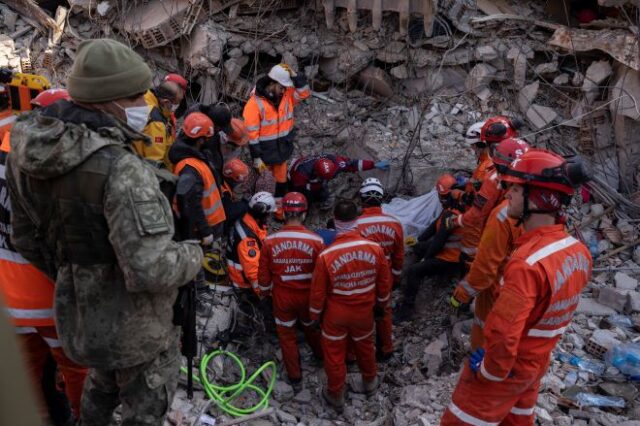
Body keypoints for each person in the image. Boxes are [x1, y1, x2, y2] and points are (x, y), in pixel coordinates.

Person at [6, 38, 203, 425]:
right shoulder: (121, 169)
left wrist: (77, 271)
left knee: (98, 392)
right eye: (133, 98)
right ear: (106, 101)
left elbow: (25, 238)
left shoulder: (26, 151)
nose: (142, 106)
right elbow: (149, 268)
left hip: (78, 318)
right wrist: (194, 254)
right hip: (137, 329)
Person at [440, 149, 591, 425]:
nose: (508, 194)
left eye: (517, 189)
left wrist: (488, 372)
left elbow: (503, 333)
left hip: (505, 372)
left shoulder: (526, 264)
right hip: (533, 368)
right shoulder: (578, 252)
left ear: (538, 197)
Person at [0, 89, 87, 425]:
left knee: (26, 376)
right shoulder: (57, 173)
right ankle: (81, 417)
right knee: (77, 370)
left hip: (9, 299)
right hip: (50, 298)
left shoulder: (6, 156)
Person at [309, 200, 392, 412]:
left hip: (336, 313)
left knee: (335, 354)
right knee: (365, 347)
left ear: (335, 221)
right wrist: (381, 305)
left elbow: (318, 293)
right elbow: (384, 283)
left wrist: (315, 316)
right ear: (356, 220)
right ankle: (370, 382)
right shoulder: (375, 249)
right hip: (364, 310)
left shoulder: (326, 255)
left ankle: (336, 394)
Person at [450, 138, 530, 350]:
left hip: (500, 283)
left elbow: (485, 268)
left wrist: (461, 294)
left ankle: (481, 365)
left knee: (486, 325)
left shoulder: (503, 215)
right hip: (523, 285)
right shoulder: (538, 206)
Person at [258, 192, 325, 385]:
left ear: (283, 213)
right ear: (304, 214)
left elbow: (263, 277)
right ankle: (320, 356)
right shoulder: (316, 241)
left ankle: (295, 377)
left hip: (282, 296)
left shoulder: (270, 241)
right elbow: (321, 275)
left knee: (286, 337)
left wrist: (264, 294)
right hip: (307, 296)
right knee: (312, 329)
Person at [445, 116, 519, 262]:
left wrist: (456, 220)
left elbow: (478, 211)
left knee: (475, 259)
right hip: (501, 229)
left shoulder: (493, 175)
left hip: (485, 226)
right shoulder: (518, 167)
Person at [394, 174, 466, 322]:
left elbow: (437, 243)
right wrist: (418, 240)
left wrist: (425, 259)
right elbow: (434, 226)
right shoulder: (452, 209)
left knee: (415, 271)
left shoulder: (451, 215)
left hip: (449, 259)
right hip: (449, 252)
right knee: (418, 247)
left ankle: (407, 310)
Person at [243, 64, 311, 219]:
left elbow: (305, 93)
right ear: (272, 83)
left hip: (282, 151)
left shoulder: (286, 95)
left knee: (281, 184)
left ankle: (279, 215)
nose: (284, 90)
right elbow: (251, 134)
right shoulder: (254, 104)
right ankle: (259, 212)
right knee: (263, 184)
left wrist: (297, 77)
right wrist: (256, 157)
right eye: (281, 87)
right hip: (265, 154)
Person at [355, 178, 403, 360]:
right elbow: (399, 257)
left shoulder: (356, 225)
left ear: (362, 199)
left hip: (362, 277)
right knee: (384, 312)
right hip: (386, 277)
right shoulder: (395, 223)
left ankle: (362, 354)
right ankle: (386, 349)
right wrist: (396, 278)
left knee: (362, 314)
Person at [169, 112, 226, 244]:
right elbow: (190, 202)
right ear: (200, 140)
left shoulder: (196, 155)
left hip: (206, 223)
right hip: (201, 228)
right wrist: (205, 231)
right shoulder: (189, 168)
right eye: (208, 138)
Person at [289, 154, 390, 208]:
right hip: (295, 180)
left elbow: (353, 164)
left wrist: (373, 165)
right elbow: (299, 187)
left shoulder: (336, 162)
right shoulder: (301, 172)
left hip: (314, 181)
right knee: (305, 198)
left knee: (323, 194)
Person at [226, 191, 275, 297]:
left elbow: (261, 239)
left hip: (247, 274)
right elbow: (253, 274)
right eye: (269, 214)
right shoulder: (247, 239)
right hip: (243, 284)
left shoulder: (250, 222)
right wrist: (264, 294)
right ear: (262, 215)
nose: (269, 217)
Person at [133, 79, 185, 169]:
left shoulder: (143, 98)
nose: (176, 108)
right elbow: (155, 160)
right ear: (166, 102)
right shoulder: (157, 122)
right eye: (176, 104)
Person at [221, 158, 250, 227]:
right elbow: (229, 213)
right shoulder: (224, 192)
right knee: (243, 206)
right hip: (217, 221)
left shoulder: (222, 180)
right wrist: (244, 203)